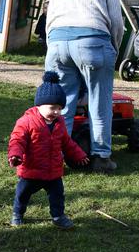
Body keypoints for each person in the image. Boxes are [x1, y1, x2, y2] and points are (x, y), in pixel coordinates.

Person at [44, 0, 124, 173]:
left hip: (58, 44)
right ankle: (101, 157)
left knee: (63, 105)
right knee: (99, 102)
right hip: (93, 42)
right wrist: (114, 50)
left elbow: (49, 21)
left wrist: (54, 50)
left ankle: (55, 156)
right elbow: (116, 22)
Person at [8, 72, 89, 229]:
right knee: (22, 194)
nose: (57, 112)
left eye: (60, 108)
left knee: (57, 195)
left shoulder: (59, 123)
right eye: (53, 108)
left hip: (53, 171)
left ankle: (58, 216)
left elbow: (66, 142)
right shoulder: (26, 122)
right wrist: (15, 155)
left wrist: (79, 154)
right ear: (39, 105)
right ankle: (17, 214)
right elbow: (17, 140)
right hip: (31, 171)